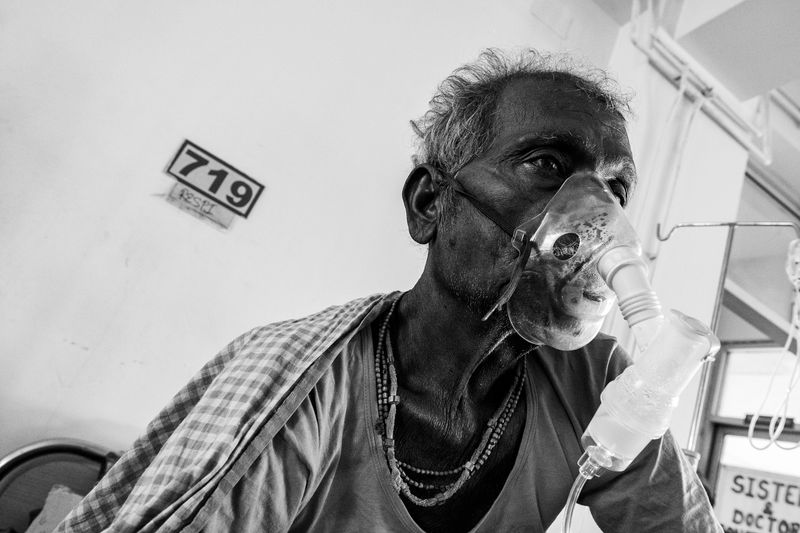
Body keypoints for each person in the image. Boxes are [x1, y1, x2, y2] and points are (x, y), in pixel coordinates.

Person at [57, 49, 722, 532]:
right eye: (547, 164)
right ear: (430, 203)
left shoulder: (596, 382)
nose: (598, 217)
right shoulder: (299, 391)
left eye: (615, 190)